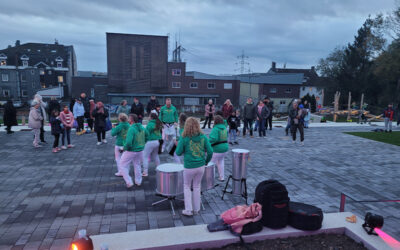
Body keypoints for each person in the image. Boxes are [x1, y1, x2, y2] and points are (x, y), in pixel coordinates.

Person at [175, 117, 213, 216]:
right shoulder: (203, 137)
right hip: (201, 166)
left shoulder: (184, 138)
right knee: (197, 186)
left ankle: (188, 210)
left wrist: (179, 145)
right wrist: (206, 161)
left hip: (189, 166)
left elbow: (178, 153)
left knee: (187, 186)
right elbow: (210, 151)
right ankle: (196, 209)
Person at [120, 114, 146, 188]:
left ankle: (129, 182)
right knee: (137, 164)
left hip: (132, 150)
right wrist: (142, 144)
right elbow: (147, 136)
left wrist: (124, 148)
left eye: (129, 119)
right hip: (140, 150)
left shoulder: (131, 129)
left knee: (122, 165)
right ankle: (138, 181)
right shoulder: (142, 127)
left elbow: (128, 142)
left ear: (131, 120)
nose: (128, 120)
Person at [209, 115, 229, 181]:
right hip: (225, 148)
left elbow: (213, 139)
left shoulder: (215, 129)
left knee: (211, 163)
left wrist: (207, 143)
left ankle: (211, 179)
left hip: (217, 149)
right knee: (220, 161)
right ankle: (222, 177)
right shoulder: (224, 128)